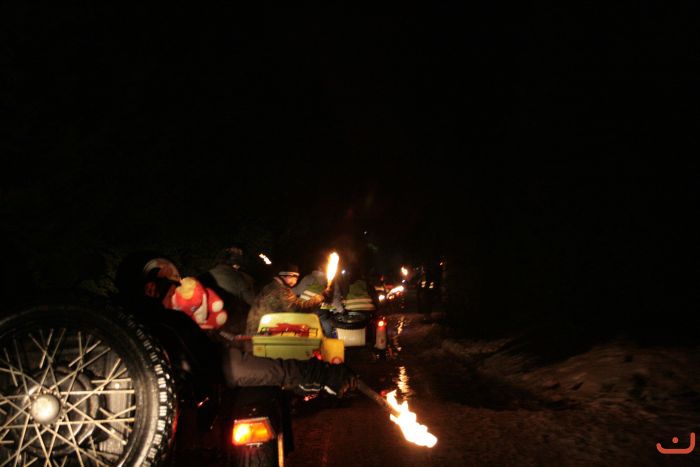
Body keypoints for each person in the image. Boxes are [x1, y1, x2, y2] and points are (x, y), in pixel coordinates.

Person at [115, 253, 357, 397]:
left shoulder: (118, 332)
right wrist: (318, 373)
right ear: (151, 289)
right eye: (172, 291)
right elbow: (231, 365)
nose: (177, 298)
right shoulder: (169, 326)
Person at [245, 262, 333, 337]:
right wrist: (320, 297)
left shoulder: (274, 286)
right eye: (295, 277)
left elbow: (295, 302)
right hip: (261, 333)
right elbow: (297, 309)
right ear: (286, 275)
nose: (296, 280)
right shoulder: (279, 290)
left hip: (260, 329)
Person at [198, 246, 257, 343]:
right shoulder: (240, 278)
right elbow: (253, 303)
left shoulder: (205, 275)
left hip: (203, 327)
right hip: (227, 329)